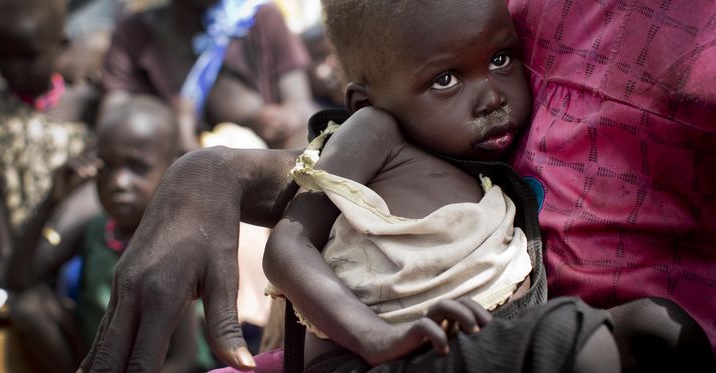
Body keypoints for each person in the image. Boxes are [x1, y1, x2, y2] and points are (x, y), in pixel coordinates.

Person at [77, 0, 716, 372]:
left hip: (501, 329)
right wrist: (377, 337)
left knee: (656, 331)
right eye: (445, 80)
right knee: (578, 345)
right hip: (397, 351)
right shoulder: (380, 130)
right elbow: (288, 247)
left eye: (501, 60)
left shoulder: (456, 143)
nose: (491, 96)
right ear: (364, 101)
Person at [4, 95, 202, 373]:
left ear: (172, 168)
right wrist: (51, 201)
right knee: (29, 306)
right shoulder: (97, 229)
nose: (118, 182)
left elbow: (184, 357)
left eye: (137, 168)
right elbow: (20, 281)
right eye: (107, 166)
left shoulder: (174, 242)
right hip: (99, 362)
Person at [0, 0, 96, 280]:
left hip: (61, 247)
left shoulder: (85, 106)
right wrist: (7, 257)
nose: (15, 69)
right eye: (4, 56)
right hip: (5, 245)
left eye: (28, 57)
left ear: (62, 46)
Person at [100, 0, 318, 150]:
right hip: (164, 174)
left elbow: (300, 107)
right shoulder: (135, 32)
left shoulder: (261, 18)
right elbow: (112, 121)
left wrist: (278, 121)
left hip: (263, 166)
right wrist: (175, 129)